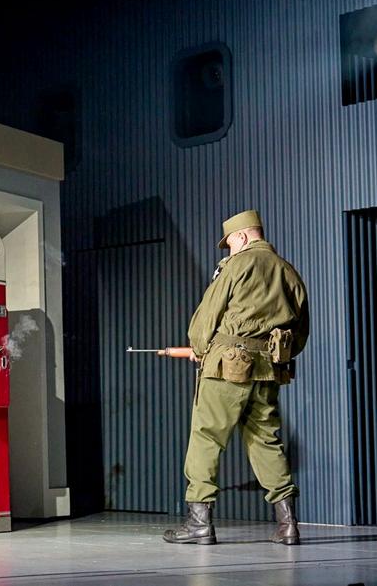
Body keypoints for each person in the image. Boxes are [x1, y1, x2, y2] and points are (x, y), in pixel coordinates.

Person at [163, 209, 308, 546]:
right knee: (265, 439)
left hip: (227, 365)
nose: (229, 249)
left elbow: (207, 315)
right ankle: (288, 524)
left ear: (241, 237)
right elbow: (301, 328)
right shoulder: (287, 270)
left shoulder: (236, 265)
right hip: (269, 367)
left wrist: (199, 347)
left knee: (207, 436)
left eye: (229, 242)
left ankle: (199, 523)